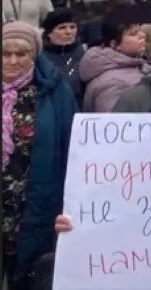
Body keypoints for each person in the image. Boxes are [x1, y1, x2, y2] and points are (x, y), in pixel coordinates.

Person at [1, 22, 76, 289]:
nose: (12, 61)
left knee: (27, 272)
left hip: (33, 202)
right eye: (5, 53)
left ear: (34, 56)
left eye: (21, 54)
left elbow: (73, 149)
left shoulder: (55, 92)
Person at [79, 22, 149, 114]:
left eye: (140, 30)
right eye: (134, 34)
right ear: (115, 44)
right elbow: (115, 123)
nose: (142, 35)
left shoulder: (135, 64)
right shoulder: (112, 83)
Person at [40, 10, 84, 105]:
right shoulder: (40, 57)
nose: (69, 32)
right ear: (49, 33)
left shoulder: (85, 54)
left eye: (72, 27)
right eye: (62, 28)